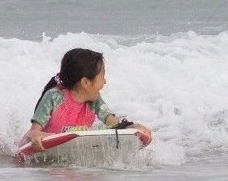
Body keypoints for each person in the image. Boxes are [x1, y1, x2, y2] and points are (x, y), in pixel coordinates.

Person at [23, 48, 152, 151]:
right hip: (43, 147)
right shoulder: (54, 97)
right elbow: (33, 131)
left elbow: (113, 124)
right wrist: (36, 136)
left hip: (73, 148)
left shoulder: (94, 100)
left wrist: (132, 127)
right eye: (102, 76)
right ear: (85, 82)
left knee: (104, 129)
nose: (105, 81)